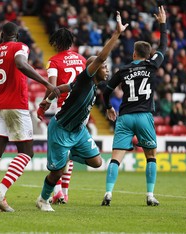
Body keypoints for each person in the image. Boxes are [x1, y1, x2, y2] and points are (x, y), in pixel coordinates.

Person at [35, 11, 128, 212]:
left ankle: (67, 156)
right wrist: (116, 35)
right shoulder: (86, 76)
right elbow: (102, 56)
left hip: (78, 130)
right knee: (56, 173)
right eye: (104, 67)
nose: (107, 70)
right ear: (94, 69)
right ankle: (43, 199)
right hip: (61, 128)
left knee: (96, 162)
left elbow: (61, 88)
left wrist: (46, 101)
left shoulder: (85, 84)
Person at [0, 22, 60, 212]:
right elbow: (20, 63)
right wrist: (46, 83)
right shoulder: (20, 47)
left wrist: (1, 95)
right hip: (16, 105)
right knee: (26, 152)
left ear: (2, 36)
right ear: (16, 35)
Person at [101, 6, 167, 207]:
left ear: (134, 53)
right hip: (144, 116)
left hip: (125, 116)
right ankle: (149, 195)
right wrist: (162, 24)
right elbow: (163, 48)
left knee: (115, 158)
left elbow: (106, 90)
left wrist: (108, 108)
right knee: (151, 156)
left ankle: (108, 193)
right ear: (147, 55)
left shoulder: (123, 70)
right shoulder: (151, 65)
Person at [42, 27, 87, 205]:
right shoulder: (82, 59)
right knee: (69, 154)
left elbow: (53, 87)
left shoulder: (54, 61)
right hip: (83, 111)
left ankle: (58, 192)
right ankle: (65, 193)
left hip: (65, 111)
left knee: (60, 153)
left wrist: (45, 102)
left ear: (55, 43)